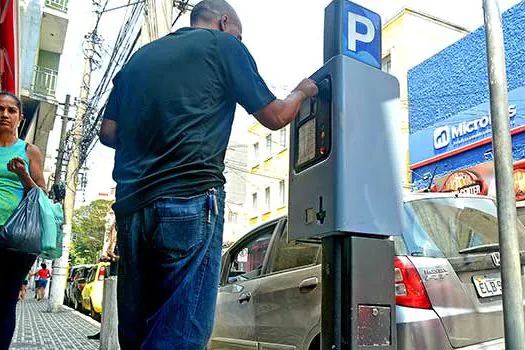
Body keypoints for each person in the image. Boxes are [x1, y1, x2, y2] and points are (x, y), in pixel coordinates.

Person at [99, 0, 318, 348]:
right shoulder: (224, 46)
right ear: (224, 22)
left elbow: (108, 132)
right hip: (191, 196)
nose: (240, 41)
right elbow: (276, 116)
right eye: (239, 35)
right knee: (179, 335)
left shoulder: (138, 60)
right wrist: (303, 90)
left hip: (132, 208)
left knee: (138, 332)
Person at [0, 91, 46, 350]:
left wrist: (23, 176)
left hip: (14, 237)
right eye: (0, 109)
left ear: (20, 118)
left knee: (4, 301)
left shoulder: (29, 151)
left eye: (11, 110)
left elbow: (40, 194)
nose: (4, 114)